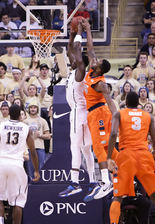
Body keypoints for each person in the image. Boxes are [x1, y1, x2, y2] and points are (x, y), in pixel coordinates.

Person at [107, 91, 155, 224]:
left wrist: (109, 158)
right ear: (138, 103)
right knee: (154, 195)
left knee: (117, 196)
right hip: (144, 155)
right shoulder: (147, 116)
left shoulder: (119, 113)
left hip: (127, 155)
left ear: (126, 102)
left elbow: (113, 134)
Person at [74, 19, 118, 200]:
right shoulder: (93, 70)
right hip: (94, 113)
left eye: (97, 61)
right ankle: (125, 172)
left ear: (98, 68)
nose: (94, 59)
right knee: (108, 148)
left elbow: (110, 101)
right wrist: (88, 30)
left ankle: (106, 182)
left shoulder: (100, 83)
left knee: (99, 147)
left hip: (99, 112)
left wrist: (117, 116)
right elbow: (90, 48)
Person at [58, 28, 96, 198]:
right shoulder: (75, 70)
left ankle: (74, 183)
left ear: (81, 61)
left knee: (75, 147)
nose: (72, 57)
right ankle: (93, 181)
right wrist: (72, 33)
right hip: (84, 113)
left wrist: (80, 31)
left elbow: (77, 50)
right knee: (86, 150)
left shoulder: (81, 71)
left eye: (75, 57)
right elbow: (70, 48)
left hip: (78, 112)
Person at [0, 104, 40, 224]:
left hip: (2, 163)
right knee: (18, 201)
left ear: (7, 114)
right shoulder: (26, 128)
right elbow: (33, 152)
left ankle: (0, 222)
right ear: (20, 115)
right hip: (17, 164)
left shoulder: (0, 126)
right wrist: (36, 170)